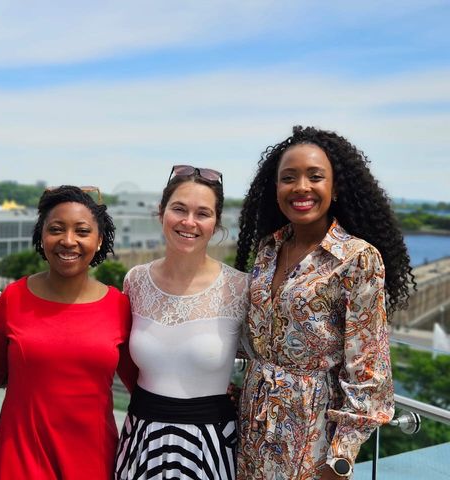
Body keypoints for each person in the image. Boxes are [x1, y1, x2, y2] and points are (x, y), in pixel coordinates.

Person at [235, 126, 414, 480]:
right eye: (289, 178)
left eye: (315, 177)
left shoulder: (357, 259)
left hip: (312, 435)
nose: (301, 187)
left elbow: (368, 371)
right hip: (252, 428)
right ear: (276, 190)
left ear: (334, 188)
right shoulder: (268, 250)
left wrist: (340, 458)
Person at [0, 185, 137, 479]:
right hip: (19, 461)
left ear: (99, 241)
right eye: (56, 229)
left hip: (94, 462)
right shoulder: (12, 298)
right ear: (41, 236)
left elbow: (141, 386)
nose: (68, 241)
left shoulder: (120, 306)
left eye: (82, 231)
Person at [114, 166, 250, 480]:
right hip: (140, 438)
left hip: (210, 443)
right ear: (160, 213)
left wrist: (241, 395)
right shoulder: (135, 281)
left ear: (216, 224)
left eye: (202, 213)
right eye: (179, 209)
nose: (189, 222)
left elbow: (267, 360)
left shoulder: (240, 288)